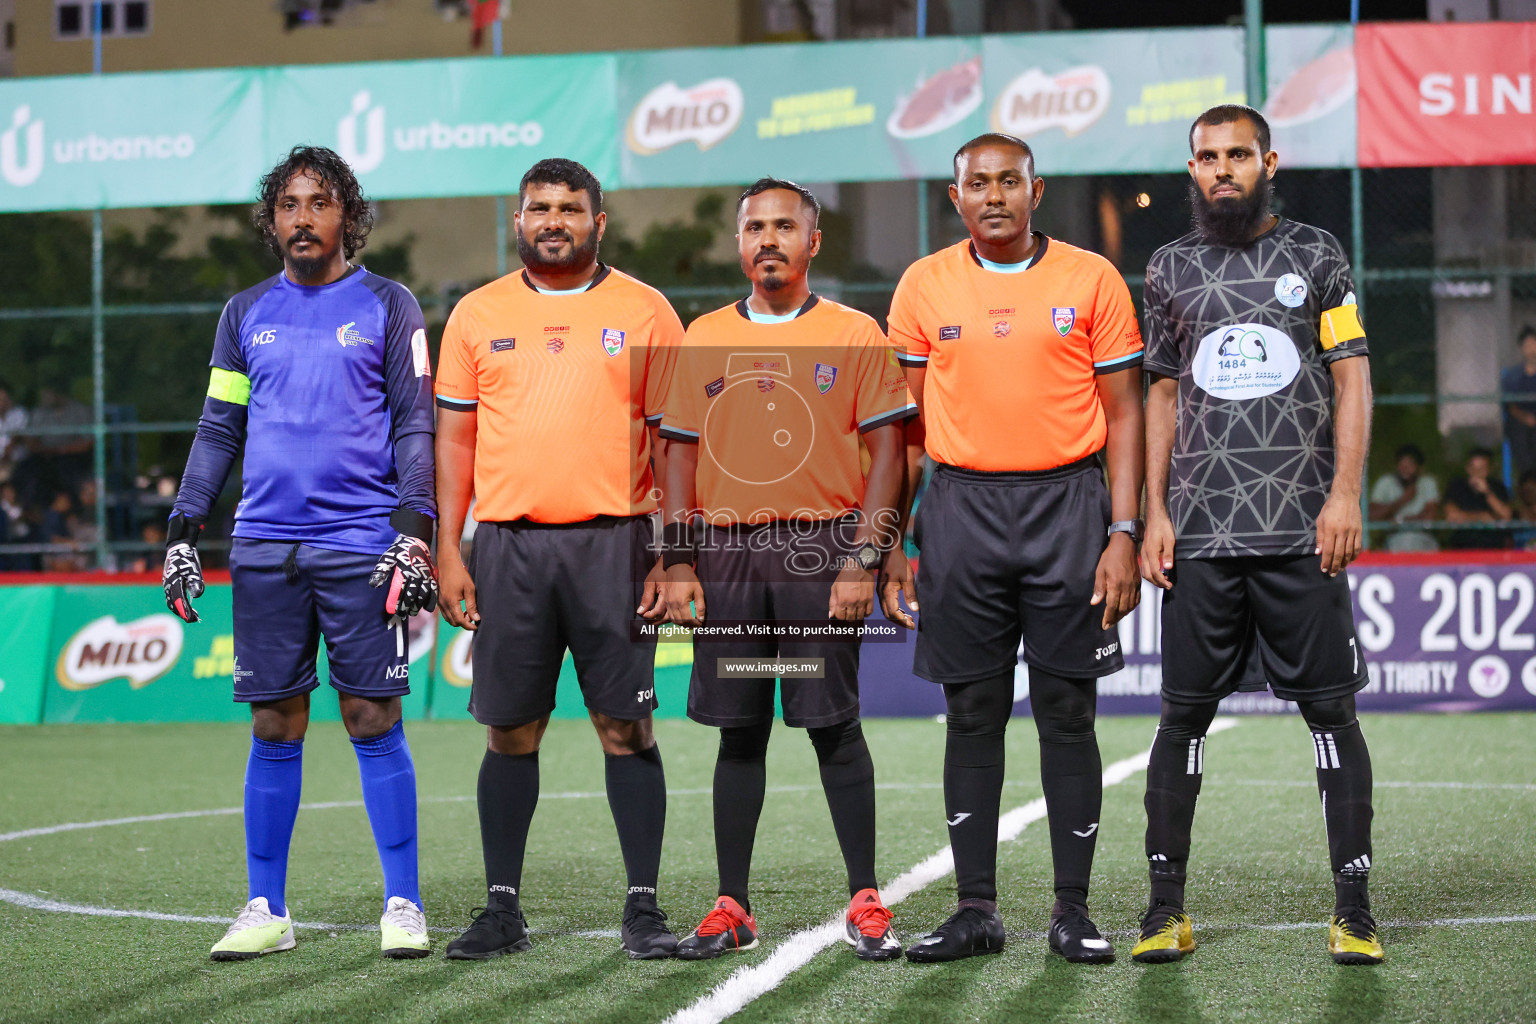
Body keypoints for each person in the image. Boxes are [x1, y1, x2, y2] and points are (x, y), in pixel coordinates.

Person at [162, 146, 440, 962]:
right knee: (274, 721)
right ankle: (266, 907)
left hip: (362, 545)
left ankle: (404, 901)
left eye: (320, 203)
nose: (303, 217)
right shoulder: (245, 313)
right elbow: (219, 428)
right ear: (272, 219)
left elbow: (413, 423)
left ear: (348, 216)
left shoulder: (391, 305)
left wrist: (414, 526)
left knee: (370, 716)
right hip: (264, 546)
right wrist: (184, 528)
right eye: (289, 204)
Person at [884, 133, 1145, 964]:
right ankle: (975, 911)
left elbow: (1129, 415)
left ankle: (1072, 909)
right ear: (954, 197)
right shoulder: (924, 284)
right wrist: (888, 543)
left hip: (1070, 506)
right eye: (977, 183)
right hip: (960, 512)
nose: (994, 195)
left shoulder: (1091, 279)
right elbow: (905, 437)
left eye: (1009, 181)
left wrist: (1124, 531)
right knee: (972, 712)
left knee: (1069, 711)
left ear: (1039, 191)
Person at [1136, 104, 1380, 967]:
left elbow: (1351, 380)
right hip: (1200, 534)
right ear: (1191, 168)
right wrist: (1154, 512)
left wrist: (1345, 494)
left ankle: (1354, 909)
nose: (1224, 169)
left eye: (1239, 154)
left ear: (1268, 161)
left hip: (1301, 531)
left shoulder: (1316, 255)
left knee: (1330, 716)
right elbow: (1160, 397)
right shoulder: (1167, 268)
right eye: (1208, 157)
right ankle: (1164, 909)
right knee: (1182, 719)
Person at [657, 178, 915, 962]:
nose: (768, 240)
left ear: (813, 241)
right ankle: (731, 903)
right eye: (754, 228)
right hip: (728, 558)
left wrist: (864, 558)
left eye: (783, 227)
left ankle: (867, 900)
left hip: (820, 553)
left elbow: (889, 458)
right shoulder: (701, 336)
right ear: (739, 243)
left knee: (834, 728)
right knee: (739, 732)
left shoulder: (854, 332)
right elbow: (677, 455)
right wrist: (675, 559)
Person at [434, 158, 683, 961]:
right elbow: (455, 440)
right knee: (511, 730)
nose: (554, 219)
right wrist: (450, 547)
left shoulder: (646, 310)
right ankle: (501, 908)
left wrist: (673, 554)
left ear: (597, 222)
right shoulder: (476, 314)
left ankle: (643, 908)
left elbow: (677, 446)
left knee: (625, 725)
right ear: (518, 219)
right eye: (539, 207)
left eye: (570, 208)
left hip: (619, 542)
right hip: (508, 546)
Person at [1367, 443, 1440, 552]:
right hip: (1392, 545)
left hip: (1424, 544)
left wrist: (1398, 520)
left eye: (1410, 465)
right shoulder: (1385, 482)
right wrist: (1401, 501)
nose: (1404, 469)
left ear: (1420, 468)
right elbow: (1372, 516)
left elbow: (1430, 516)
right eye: (1401, 465)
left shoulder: (1427, 483)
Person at [1443, 448, 1514, 550]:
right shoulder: (1456, 486)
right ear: (1467, 468)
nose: (1477, 472)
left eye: (1482, 468)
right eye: (1473, 467)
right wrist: (1484, 517)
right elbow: (1452, 516)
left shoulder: (1497, 487)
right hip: (1462, 548)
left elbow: (1506, 516)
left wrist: (1487, 492)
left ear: (1489, 470)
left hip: (1493, 549)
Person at [1500, 326, 1536, 479]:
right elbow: (1509, 405)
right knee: (1517, 430)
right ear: (1522, 349)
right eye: (1528, 345)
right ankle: (1529, 480)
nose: (1532, 349)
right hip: (1521, 420)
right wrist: (1524, 417)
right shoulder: (1513, 376)